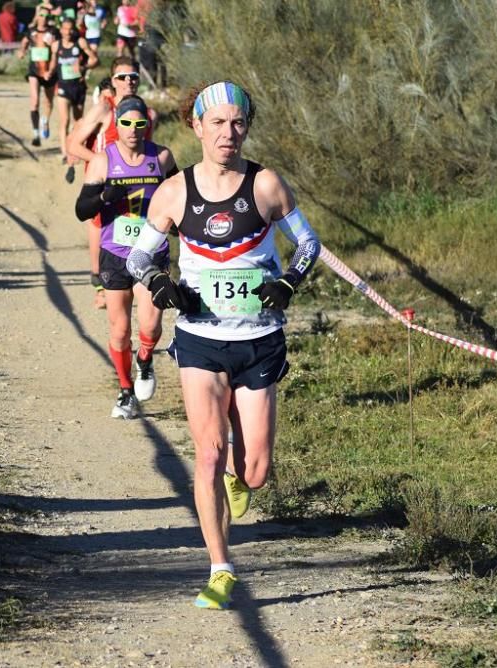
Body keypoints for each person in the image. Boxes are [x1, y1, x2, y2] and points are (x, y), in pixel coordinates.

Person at [126, 81, 321, 609]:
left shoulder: (266, 186)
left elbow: (308, 243)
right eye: (217, 123)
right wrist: (159, 283)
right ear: (197, 126)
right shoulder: (173, 192)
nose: (227, 133)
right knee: (208, 454)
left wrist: (288, 282)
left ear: (247, 127)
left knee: (254, 471)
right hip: (200, 342)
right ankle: (220, 567)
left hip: (258, 341)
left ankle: (242, 471)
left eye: (237, 123)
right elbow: (137, 259)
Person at [74, 95, 177, 419]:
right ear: (117, 125)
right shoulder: (104, 160)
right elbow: (81, 210)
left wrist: (180, 227)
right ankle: (125, 390)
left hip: (151, 252)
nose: (133, 130)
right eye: (127, 123)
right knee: (119, 330)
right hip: (115, 253)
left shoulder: (160, 157)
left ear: (148, 125)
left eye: (140, 124)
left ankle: (145, 360)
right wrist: (105, 196)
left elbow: (181, 196)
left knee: (151, 324)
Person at [65, 57, 155, 309]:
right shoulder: (104, 108)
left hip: (136, 183)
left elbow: (150, 148)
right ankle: (100, 285)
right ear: (113, 81)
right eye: (122, 77)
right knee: (102, 227)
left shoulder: (146, 112)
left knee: (132, 226)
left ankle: (134, 277)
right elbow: (73, 144)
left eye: (133, 77)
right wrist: (106, 165)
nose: (128, 81)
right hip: (103, 181)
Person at [54, 18, 95, 167]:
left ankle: (75, 150)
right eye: (64, 29)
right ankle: (64, 153)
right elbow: (52, 65)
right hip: (63, 87)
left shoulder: (81, 43)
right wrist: (46, 75)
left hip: (78, 87)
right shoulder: (56, 45)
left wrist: (84, 68)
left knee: (78, 122)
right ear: (61, 30)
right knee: (64, 120)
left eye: (70, 29)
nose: (67, 32)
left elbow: (94, 59)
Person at [17, 7, 58, 147]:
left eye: (46, 15)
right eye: (41, 15)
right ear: (37, 16)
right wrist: (22, 51)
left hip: (49, 72)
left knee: (48, 102)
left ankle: (45, 120)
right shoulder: (31, 31)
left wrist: (53, 45)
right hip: (34, 71)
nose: (43, 18)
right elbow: (24, 42)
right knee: (34, 101)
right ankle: (36, 134)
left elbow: (58, 49)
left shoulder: (53, 31)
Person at [81, 0, 106, 67]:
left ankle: (88, 68)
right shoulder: (84, 12)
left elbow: (103, 20)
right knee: (88, 53)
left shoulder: (99, 11)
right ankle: (93, 64)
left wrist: (103, 24)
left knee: (93, 52)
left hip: (96, 35)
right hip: (87, 35)